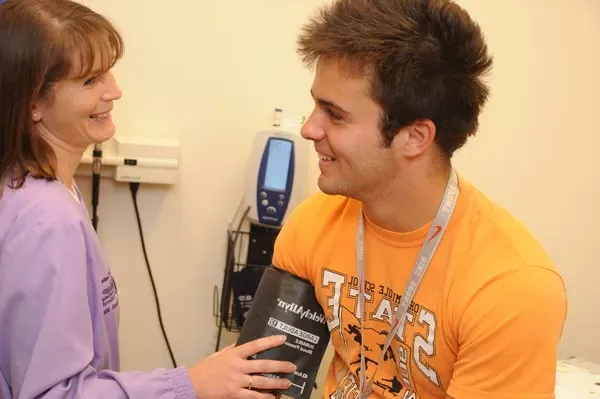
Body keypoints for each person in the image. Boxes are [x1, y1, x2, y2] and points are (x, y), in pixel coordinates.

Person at [272, 0, 568, 398]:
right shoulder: (313, 223)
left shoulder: (510, 287)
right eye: (315, 105)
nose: (309, 129)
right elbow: (266, 379)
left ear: (414, 137)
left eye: (335, 114)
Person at [0, 0, 296, 398]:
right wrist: (192, 383)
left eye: (108, 72)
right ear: (33, 103)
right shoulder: (47, 219)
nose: (114, 91)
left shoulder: (42, 188)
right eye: (89, 81)